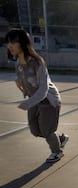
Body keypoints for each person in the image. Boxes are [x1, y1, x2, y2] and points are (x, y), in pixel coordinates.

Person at [6, 29, 68, 163]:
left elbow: (44, 89)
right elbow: (26, 83)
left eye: (13, 42)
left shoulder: (37, 63)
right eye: (8, 42)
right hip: (34, 100)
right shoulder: (18, 64)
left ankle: (57, 152)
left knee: (46, 131)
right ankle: (60, 139)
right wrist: (21, 86)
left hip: (48, 100)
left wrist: (27, 103)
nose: (9, 45)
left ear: (22, 43)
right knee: (35, 130)